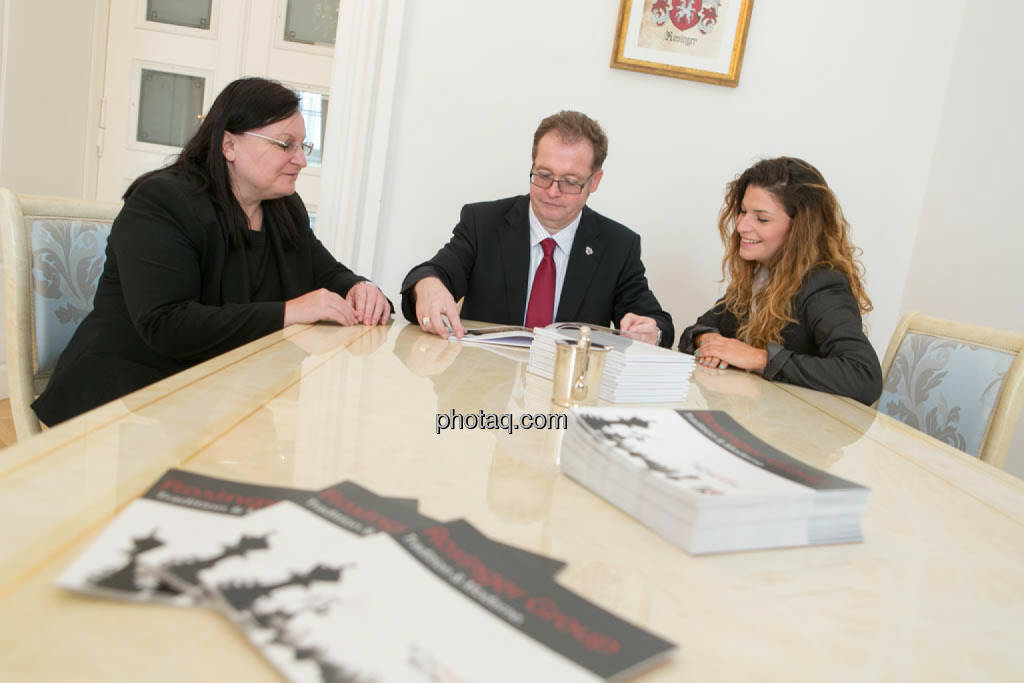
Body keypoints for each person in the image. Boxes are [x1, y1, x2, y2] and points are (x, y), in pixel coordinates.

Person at [33, 77, 390, 426]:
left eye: (302, 146)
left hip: (218, 392)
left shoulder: (283, 208)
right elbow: (167, 324)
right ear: (228, 145)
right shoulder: (162, 201)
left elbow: (324, 272)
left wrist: (359, 287)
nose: (301, 161)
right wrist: (290, 311)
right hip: (127, 398)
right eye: (285, 145)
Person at [400, 110, 673, 347]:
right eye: (543, 175)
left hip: (566, 395)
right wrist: (427, 285)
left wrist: (651, 332)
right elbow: (430, 273)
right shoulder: (483, 223)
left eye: (569, 181)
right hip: (485, 390)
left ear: (595, 181)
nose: (553, 192)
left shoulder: (617, 246)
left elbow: (657, 322)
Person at [678, 157, 882, 405]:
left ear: (799, 229)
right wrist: (710, 341)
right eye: (743, 212)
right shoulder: (758, 275)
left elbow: (864, 376)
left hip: (805, 434)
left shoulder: (823, 285)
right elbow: (700, 328)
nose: (742, 226)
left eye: (761, 219)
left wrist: (760, 358)